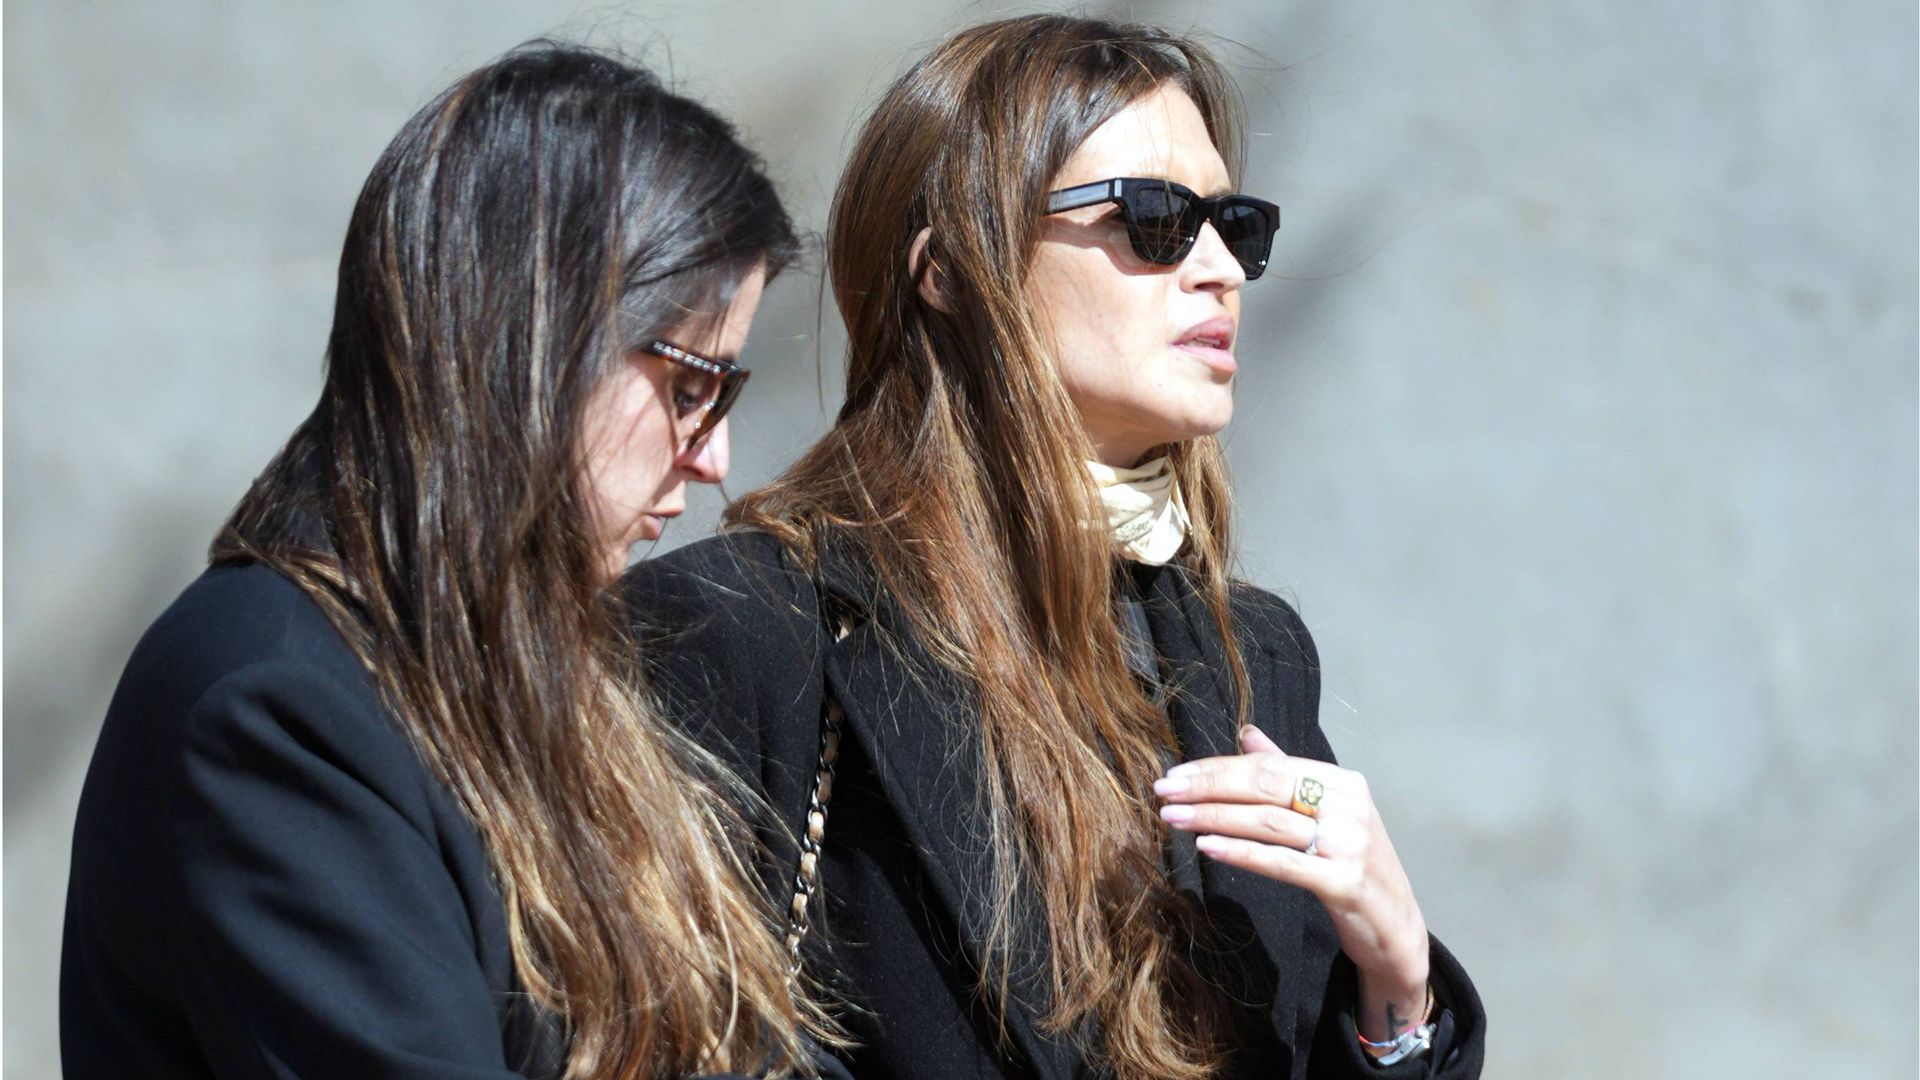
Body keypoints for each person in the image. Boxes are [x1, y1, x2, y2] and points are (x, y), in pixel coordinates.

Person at [624, 15, 1487, 1080]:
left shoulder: (1254, 656)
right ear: (951, 270)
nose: (1220, 267)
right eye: (1155, 219)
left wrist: (1396, 991)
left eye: (1236, 225)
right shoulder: (744, 629)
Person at [61, 43, 845, 1079]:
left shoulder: (517, 657)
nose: (714, 459)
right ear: (533, 343)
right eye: (691, 388)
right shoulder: (277, 705)